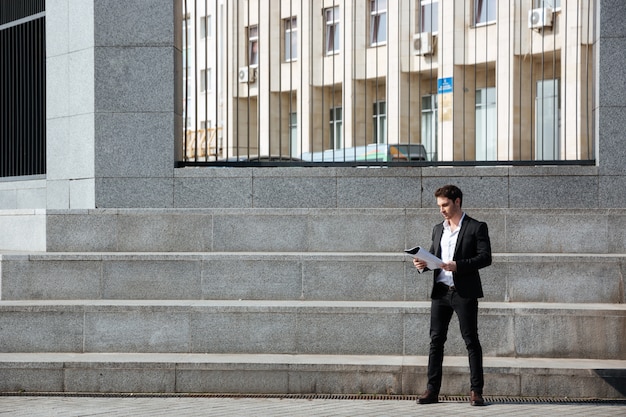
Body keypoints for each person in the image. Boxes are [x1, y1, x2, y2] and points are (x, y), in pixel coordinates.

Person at [413, 184, 492, 406]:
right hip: (440, 292)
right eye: (439, 205)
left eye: (445, 204)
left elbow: (486, 258)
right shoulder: (438, 229)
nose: (441, 209)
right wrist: (422, 264)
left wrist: (458, 265)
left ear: (457, 202)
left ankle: (476, 391)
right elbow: (435, 258)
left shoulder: (477, 227)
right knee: (436, 341)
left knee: (471, 340)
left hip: (464, 292)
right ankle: (432, 390)